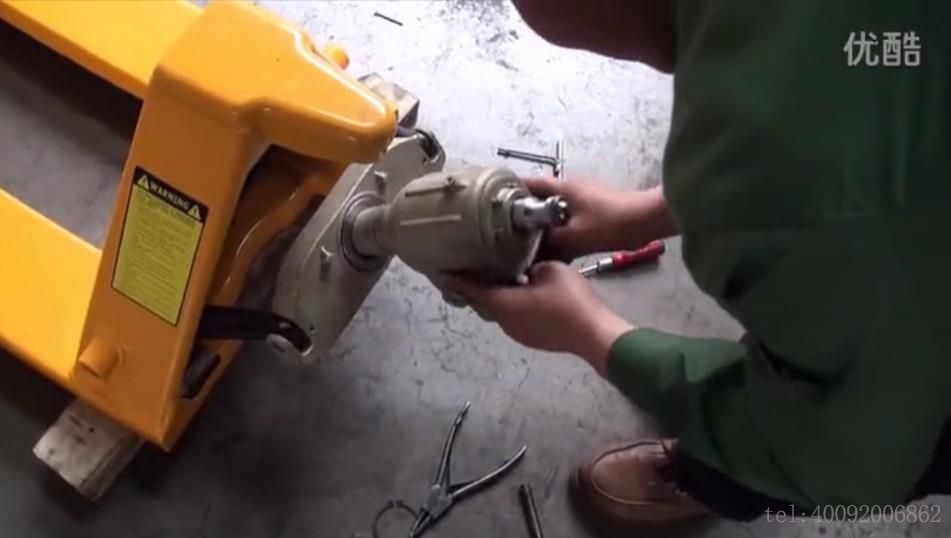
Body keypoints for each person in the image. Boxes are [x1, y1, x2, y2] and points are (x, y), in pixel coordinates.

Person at [447, 0, 951, 527]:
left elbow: (849, 464)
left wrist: (592, 334)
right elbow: (861, 125)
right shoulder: (823, 55)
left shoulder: (780, 138)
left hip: (886, 425)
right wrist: (641, 216)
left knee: (795, 446)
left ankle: (716, 479)